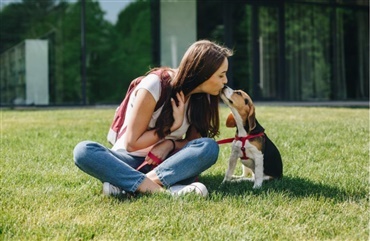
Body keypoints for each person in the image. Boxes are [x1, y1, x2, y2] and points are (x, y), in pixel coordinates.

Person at [73, 40, 233, 197]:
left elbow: (192, 144)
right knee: (83, 150)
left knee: (208, 147)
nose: (225, 81)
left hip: (167, 163)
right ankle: (163, 190)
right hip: (130, 159)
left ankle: (128, 186)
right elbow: (132, 143)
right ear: (203, 72)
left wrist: (169, 144)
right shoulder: (155, 85)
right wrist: (170, 128)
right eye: (221, 75)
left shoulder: (202, 98)